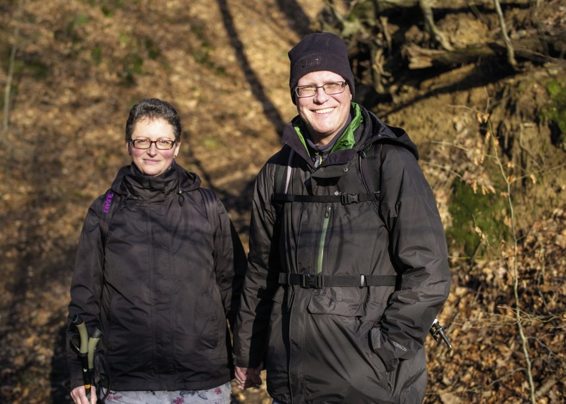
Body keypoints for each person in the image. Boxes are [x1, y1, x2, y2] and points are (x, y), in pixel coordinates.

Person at [234, 32, 451, 403]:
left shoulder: (389, 163)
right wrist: (248, 351)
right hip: (293, 376)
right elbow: (261, 271)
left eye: (332, 84)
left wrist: (387, 347)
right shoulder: (277, 172)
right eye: (307, 87)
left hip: (372, 380)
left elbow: (428, 270)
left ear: (350, 89)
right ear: (294, 96)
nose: (321, 97)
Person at [66, 98, 246, 404]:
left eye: (163, 141)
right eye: (142, 141)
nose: (153, 150)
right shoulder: (105, 210)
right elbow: (86, 296)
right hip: (127, 380)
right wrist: (80, 372)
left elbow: (234, 285)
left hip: (202, 378)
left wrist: (246, 352)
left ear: (176, 147)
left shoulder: (207, 206)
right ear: (128, 145)